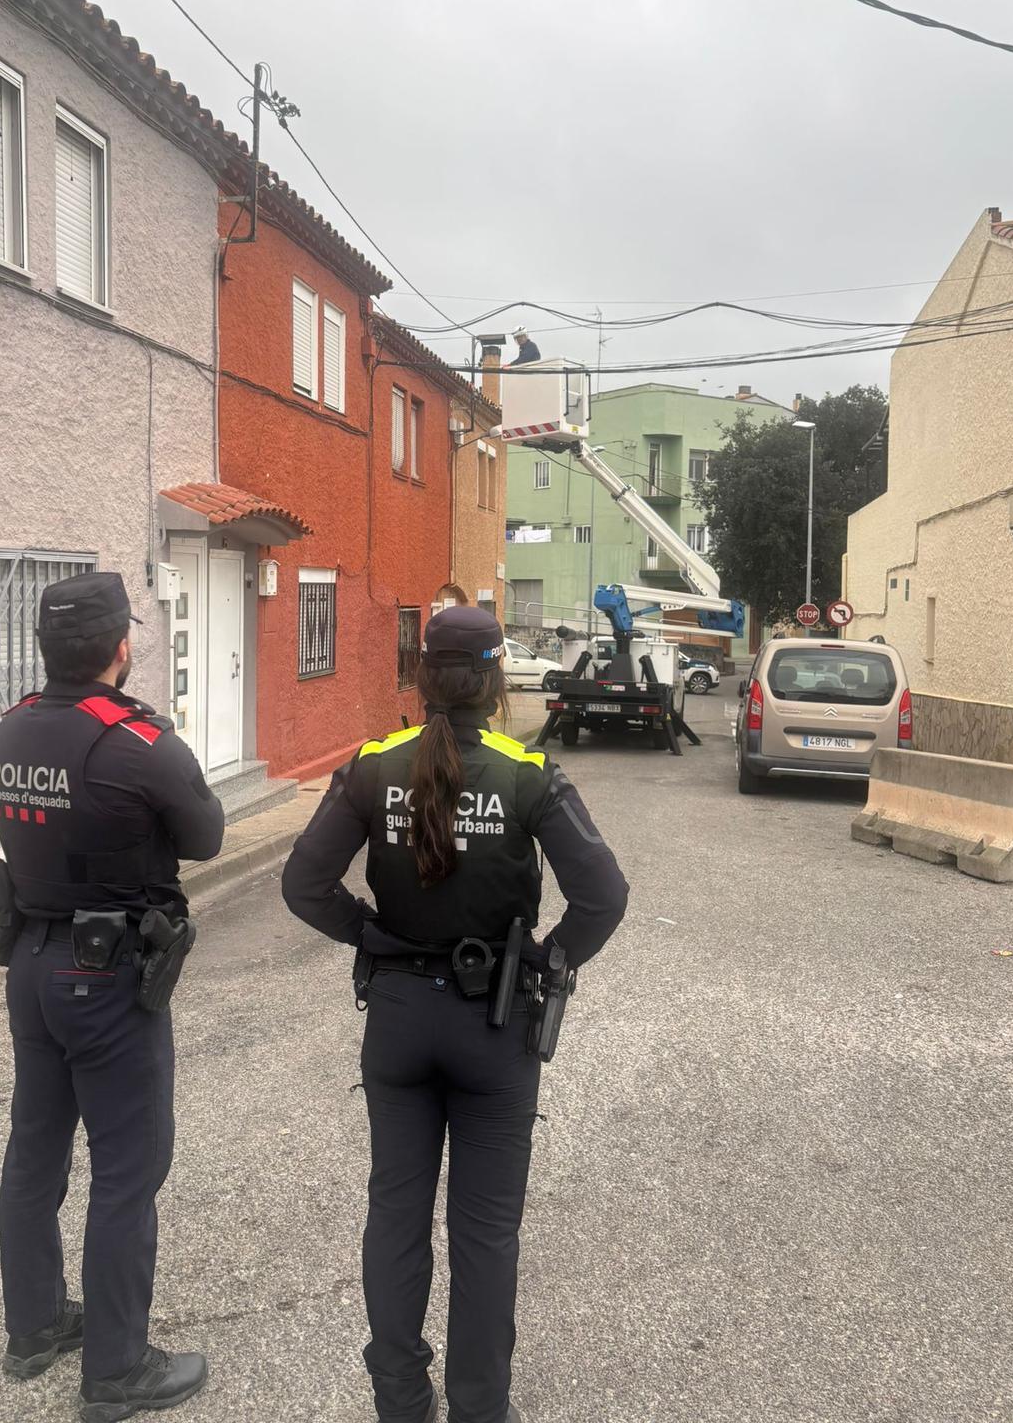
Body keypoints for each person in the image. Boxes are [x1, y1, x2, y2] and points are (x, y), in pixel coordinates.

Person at [282, 605, 628, 1423]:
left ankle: (401, 1401)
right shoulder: (528, 771)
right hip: (492, 1021)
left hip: (398, 1020)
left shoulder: (373, 766)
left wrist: (369, 933)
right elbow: (604, 896)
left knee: (395, 1213)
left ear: (422, 676)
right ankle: (479, 1408)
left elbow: (302, 885)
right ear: (497, 680)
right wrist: (545, 960)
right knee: (484, 1232)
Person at [0, 571, 224, 1422]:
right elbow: (206, 836)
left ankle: (36, 1327)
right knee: (128, 1169)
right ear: (122, 647)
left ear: (49, 649)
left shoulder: (11, 727)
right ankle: (118, 1369)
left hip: (32, 965)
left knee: (35, 1152)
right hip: (106, 978)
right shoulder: (134, 740)